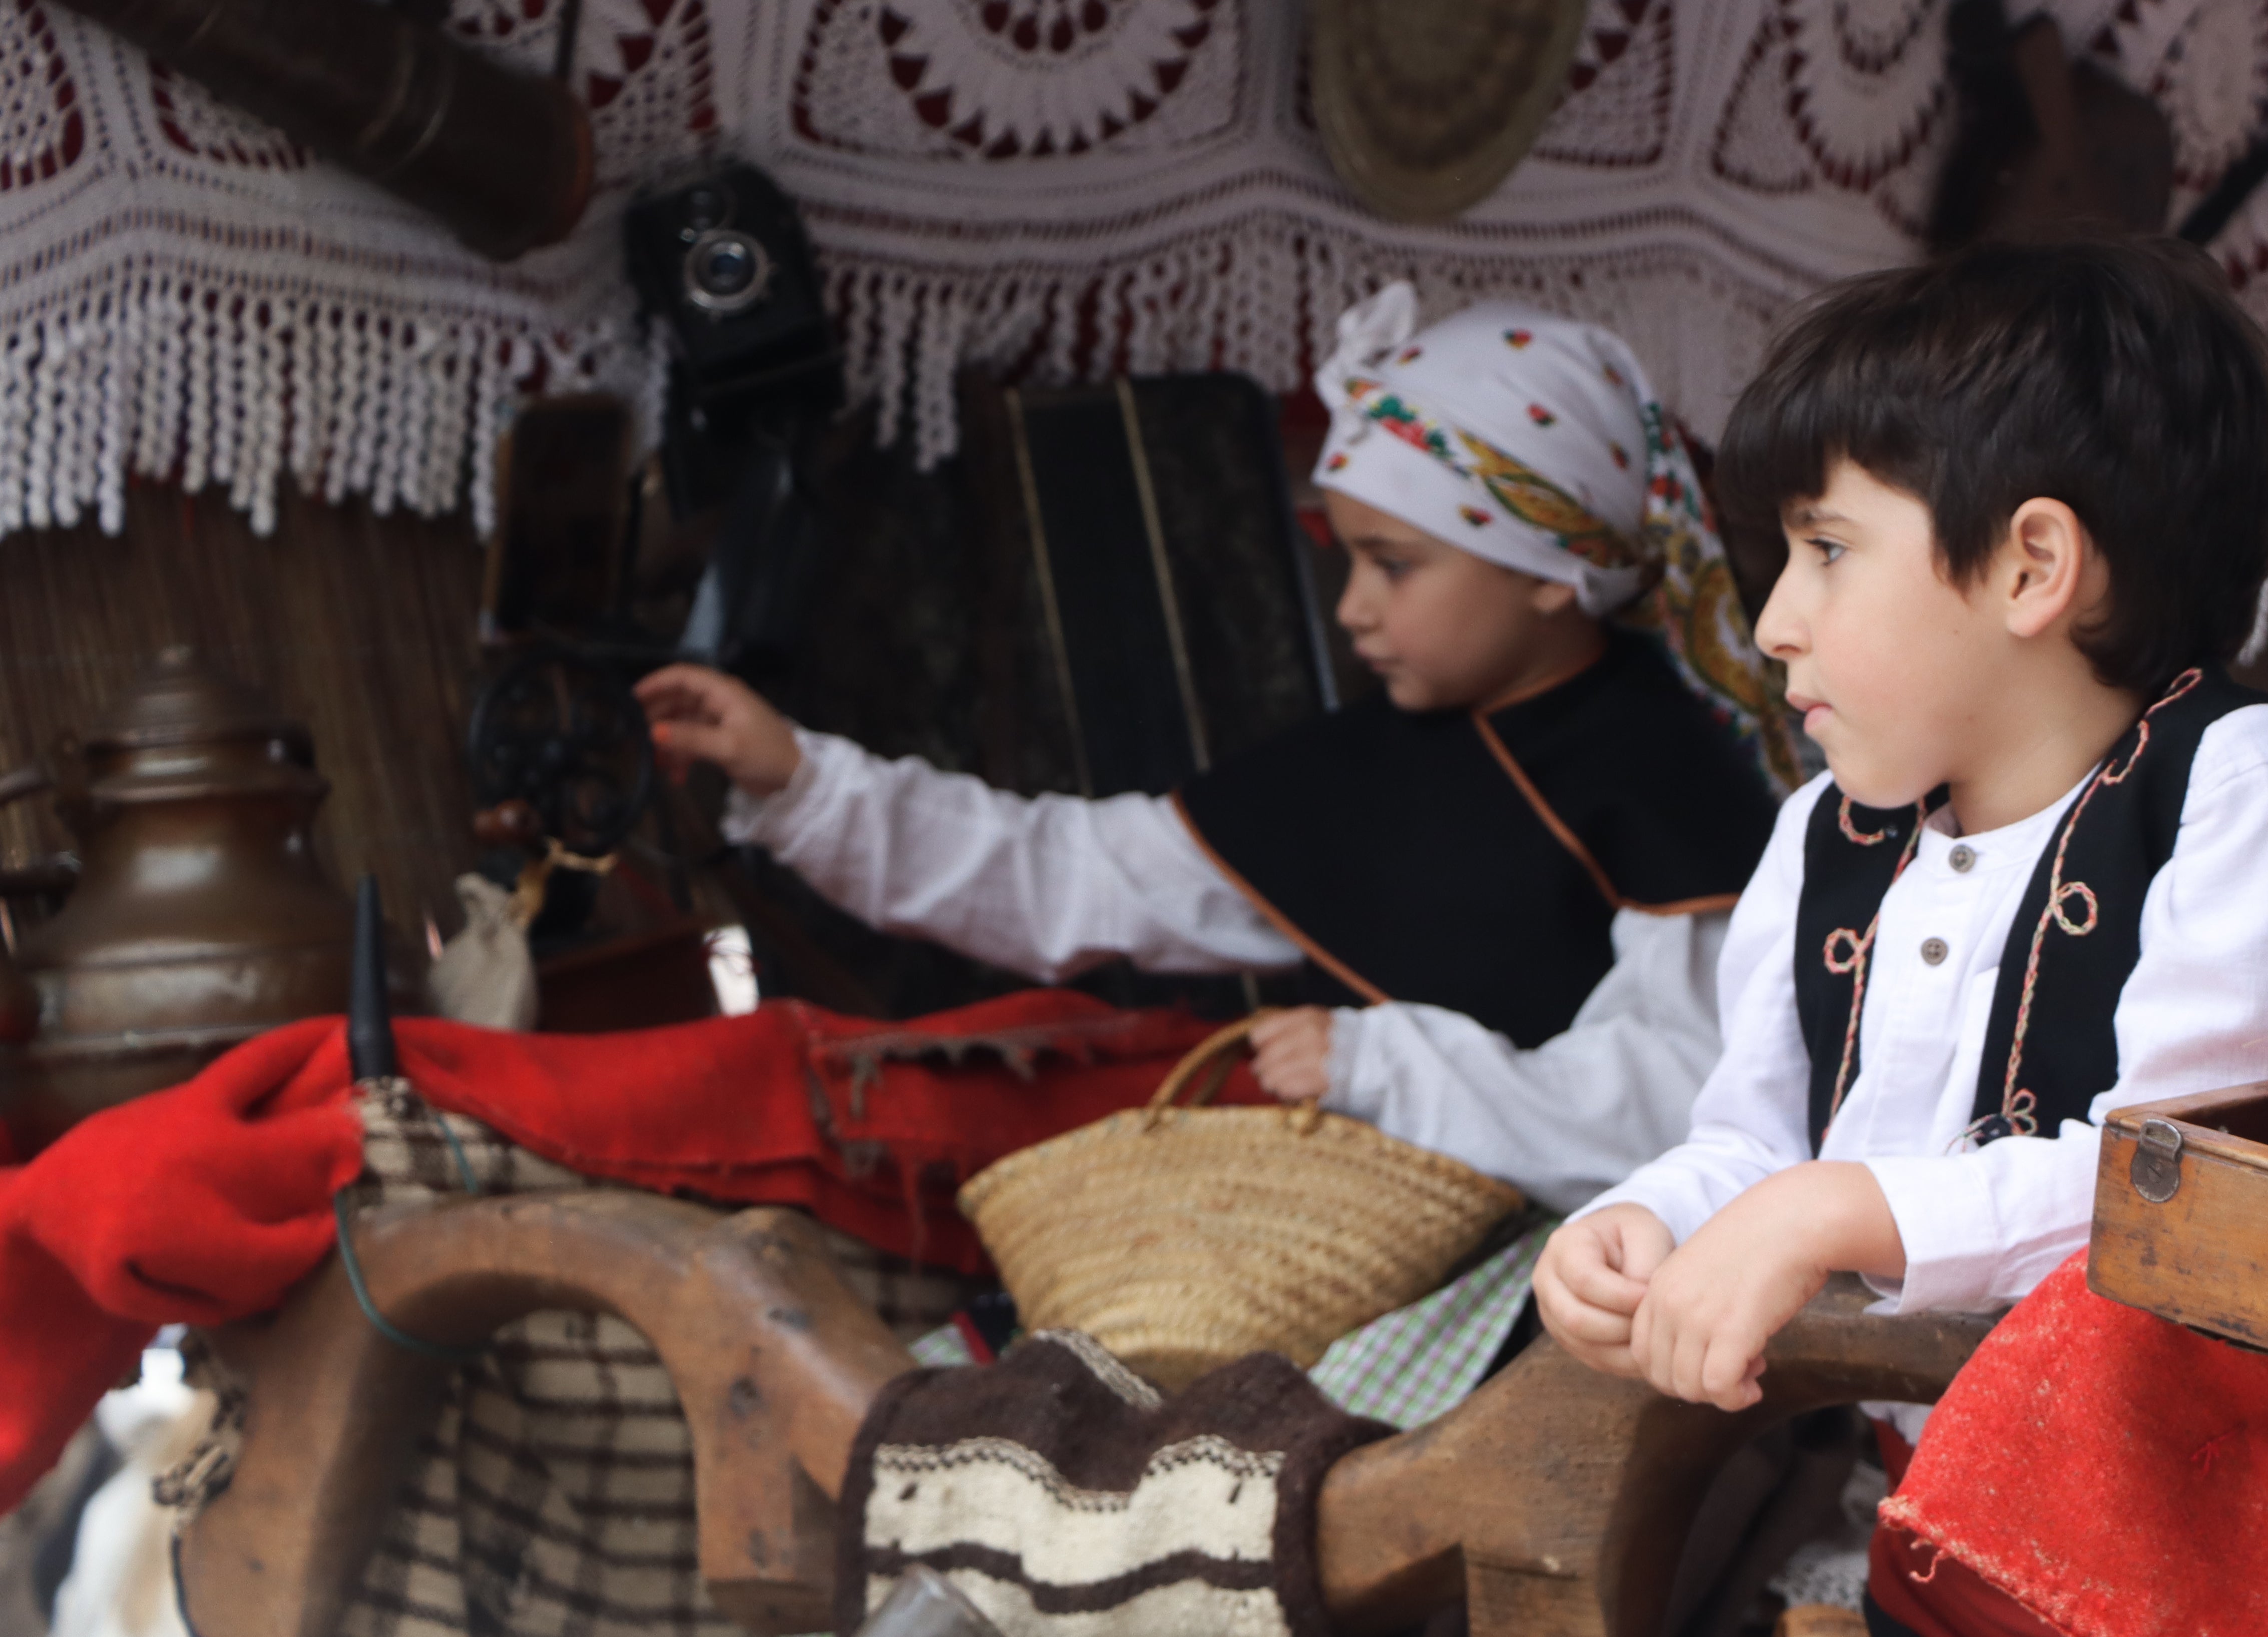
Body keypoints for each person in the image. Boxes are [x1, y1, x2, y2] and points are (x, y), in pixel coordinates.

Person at [1531, 238, 2268, 1637]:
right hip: (1949, 1557)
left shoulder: (2236, 786)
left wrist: (1841, 1214)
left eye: (1826, 550)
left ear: (2031, 565)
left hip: (2183, 1606)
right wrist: (1644, 1221)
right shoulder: (1824, 842)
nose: (1771, 622)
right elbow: (1753, 1139)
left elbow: (2191, 1197)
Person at [637, 284, 1786, 1225]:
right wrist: (799, 781)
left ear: (1550, 569)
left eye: (1394, 563)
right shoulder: (1375, 761)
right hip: (1374, 1231)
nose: (1352, 610)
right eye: (1346, 560)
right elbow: (1073, 873)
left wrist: (1381, 1067)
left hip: (1589, 1299)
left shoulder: (1673, 779)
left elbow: (1686, 1104)